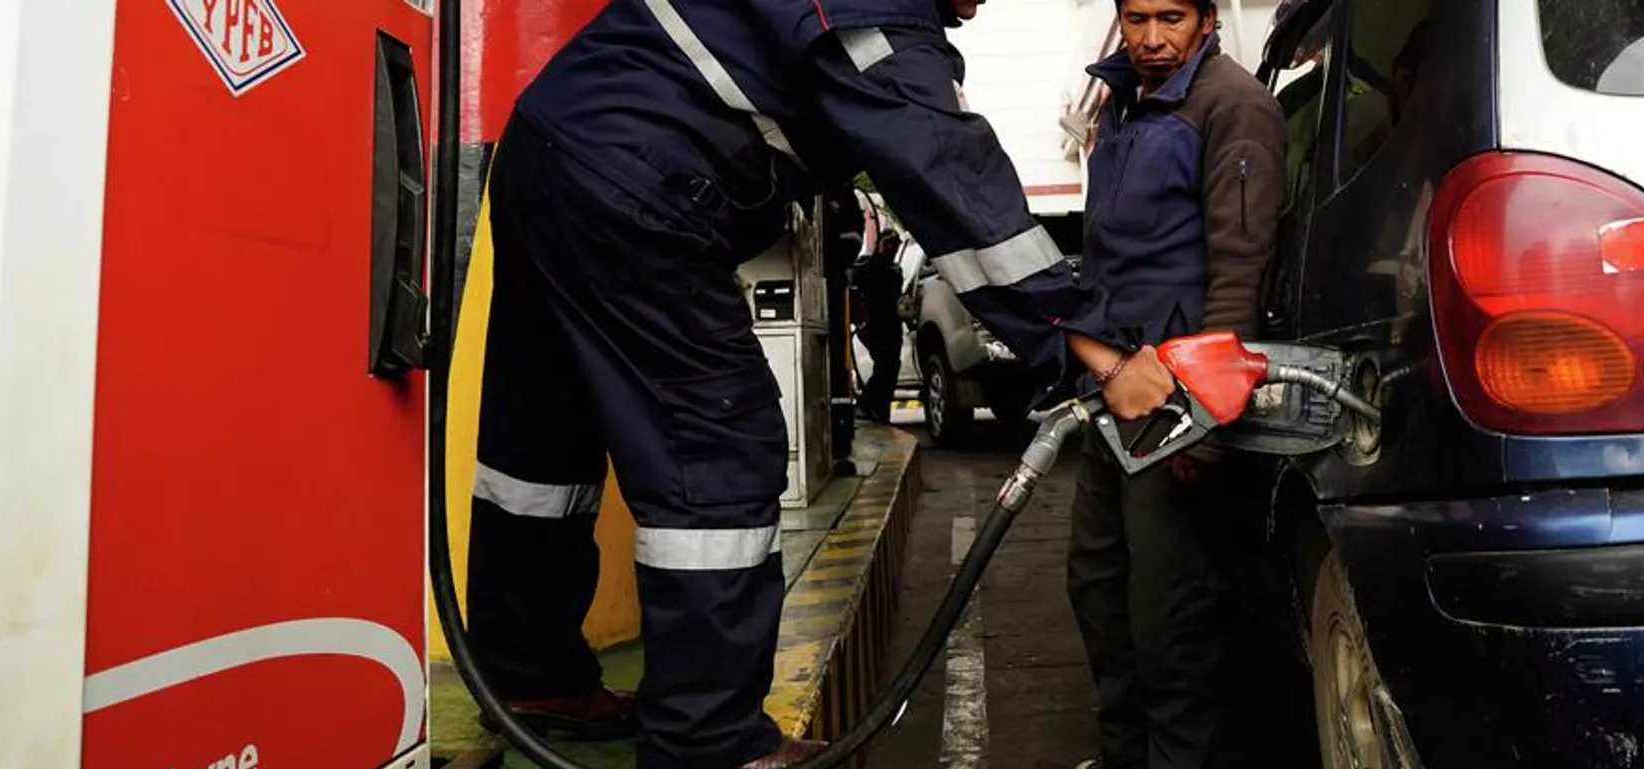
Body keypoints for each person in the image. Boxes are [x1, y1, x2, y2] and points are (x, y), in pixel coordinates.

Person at [462, 0, 1178, 767]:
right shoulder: (877, 8)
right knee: (716, 452)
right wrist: (1089, 346)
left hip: (545, 151)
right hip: (636, 181)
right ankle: (707, 741)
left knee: (541, 436)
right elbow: (941, 165)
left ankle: (530, 673)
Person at [1065, 0, 1286, 766]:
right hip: (1109, 395)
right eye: (1136, 19)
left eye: (1171, 18)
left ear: (1207, 19)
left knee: (1169, 624)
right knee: (1097, 592)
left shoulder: (1235, 106)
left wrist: (1204, 416)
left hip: (1173, 403)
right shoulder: (1124, 107)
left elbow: (1239, 269)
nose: (1152, 40)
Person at [853, 229, 906, 424]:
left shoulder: (896, 271)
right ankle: (867, 405)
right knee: (884, 366)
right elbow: (854, 289)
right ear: (880, 245)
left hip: (892, 327)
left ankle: (881, 410)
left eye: (895, 246)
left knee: (891, 368)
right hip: (872, 326)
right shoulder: (867, 267)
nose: (891, 249)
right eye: (888, 244)